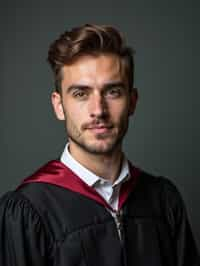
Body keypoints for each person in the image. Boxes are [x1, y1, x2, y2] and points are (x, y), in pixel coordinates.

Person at [0, 24, 199, 266]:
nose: (98, 110)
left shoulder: (164, 201)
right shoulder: (28, 211)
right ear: (59, 105)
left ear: (132, 101)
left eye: (113, 92)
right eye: (81, 94)